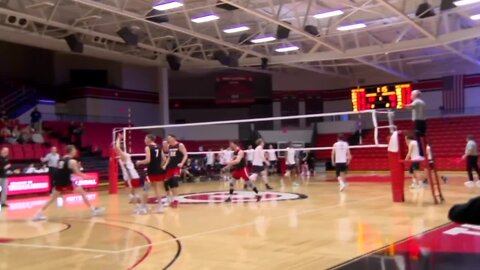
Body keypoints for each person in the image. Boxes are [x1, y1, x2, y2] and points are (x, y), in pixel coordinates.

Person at [33, 145, 104, 221]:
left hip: (59, 181)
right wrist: (88, 176)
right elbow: (78, 173)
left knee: (52, 198)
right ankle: (93, 210)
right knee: (82, 192)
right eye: (75, 150)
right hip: (66, 181)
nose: (76, 151)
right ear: (71, 151)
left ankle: (38, 213)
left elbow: (60, 171)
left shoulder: (60, 159)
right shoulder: (72, 161)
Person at [116, 133, 147, 214]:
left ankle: (139, 208)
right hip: (132, 175)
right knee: (134, 193)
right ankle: (142, 207)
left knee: (131, 194)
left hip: (130, 176)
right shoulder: (125, 155)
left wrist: (118, 138)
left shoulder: (123, 155)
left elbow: (117, 147)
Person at [136, 134, 166, 213]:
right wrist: (160, 166)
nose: (144, 140)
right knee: (156, 188)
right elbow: (164, 159)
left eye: (145, 138)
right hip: (158, 170)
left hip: (151, 171)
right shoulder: (159, 147)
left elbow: (148, 160)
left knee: (146, 188)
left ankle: (143, 207)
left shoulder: (148, 147)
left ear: (149, 139)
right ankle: (160, 206)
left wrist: (139, 162)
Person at [165, 134, 188, 208]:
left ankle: (176, 200)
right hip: (170, 167)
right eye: (168, 138)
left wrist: (182, 163)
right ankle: (172, 199)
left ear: (174, 138)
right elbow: (169, 157)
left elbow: (185, 154)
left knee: (174, 182)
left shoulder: (180, 145)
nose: (168, 139)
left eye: (170, 138)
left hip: (177, 167)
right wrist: (165, 165)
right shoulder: (169, 146)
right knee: (169, 183)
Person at [406, 90, 427, 156]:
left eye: (411, 95)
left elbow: (410, 106)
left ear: (415, 95)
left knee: (417, 138)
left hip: (418, 122)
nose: (410, 96)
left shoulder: (416, 101)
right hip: (423, 122)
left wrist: (402, 105)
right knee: (421, 138)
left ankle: (420, 154)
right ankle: (422, 152)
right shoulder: (422, 102)